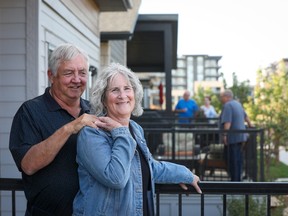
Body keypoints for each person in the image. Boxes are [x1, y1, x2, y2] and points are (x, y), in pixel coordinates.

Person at [73, 63, 202, 216]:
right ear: (103, 99)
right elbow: (115, 178)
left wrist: (184, 174)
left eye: (127, 88)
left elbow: (148, 167)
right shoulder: (92, 133)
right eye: (115, 90)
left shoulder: (135, 128)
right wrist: (121, 133)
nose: (123, 95)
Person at [9, 43, 99, 216]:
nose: (76, 79)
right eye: (68, 73)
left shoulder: (93, 111)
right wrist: (70, 128)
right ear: (52, 75)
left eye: (82, 72)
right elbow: (28, 165)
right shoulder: (30, 111)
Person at [219, 89, 252, 181]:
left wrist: (225, 135)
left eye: (221, 97)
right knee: (238, 159)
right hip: (241, 137)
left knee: (231, 159)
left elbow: (227, 122)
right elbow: (246, 117)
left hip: (233, 137)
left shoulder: (227, 105)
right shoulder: (238, 104)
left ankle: (235, 181)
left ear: (227, 97)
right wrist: (250, 125)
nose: (221, 99)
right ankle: (238, 179)